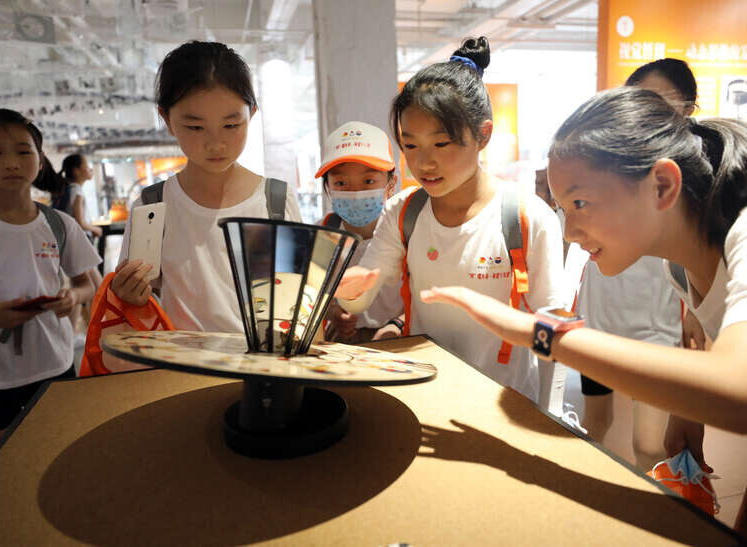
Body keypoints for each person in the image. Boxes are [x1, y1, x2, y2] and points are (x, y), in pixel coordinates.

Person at [419, 86, 747, 540]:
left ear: (662, 185)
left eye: (580, 203)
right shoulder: (680, 263)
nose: (570, 231)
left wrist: (540, 332)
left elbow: (741, 396)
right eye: (564, 209)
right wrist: (687, 413)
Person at [334, 37, 569, 413]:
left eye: (441, 144)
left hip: (507, 405)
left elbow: (552, 325)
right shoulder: (403, 212)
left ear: (483, 135)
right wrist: (347, 290)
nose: (423, 163)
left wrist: (549, 414)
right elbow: (362, 298)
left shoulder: (527, 217)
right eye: (410, 146)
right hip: (424, 399)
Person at [111, 41, 301, 333]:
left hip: (264, 359)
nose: (215, 144)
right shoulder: (153, 206)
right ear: (166, 119)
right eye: (195, 127)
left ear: (251, 114)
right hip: (182, 362)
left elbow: (299, 304)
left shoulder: (275, 201)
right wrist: (129, 295)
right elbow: (139, 306)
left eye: (231, 125)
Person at [574, 58, 701, 472]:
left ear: (687, 109)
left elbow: (701, 250)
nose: (649, 112)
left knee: (649, 444)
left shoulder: (693, 172)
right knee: (594, 425)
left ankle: (663, 507)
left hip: (656, 325)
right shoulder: (606, 156)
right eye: (640, 99)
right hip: (598, 318)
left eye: (662, 102)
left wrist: (695, 310)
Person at [0, 109, 100, 465]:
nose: (11, 162)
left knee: (61, 461)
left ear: (40, 160)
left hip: (53, 364)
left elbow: (88, 284)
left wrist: (73, 296)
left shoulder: (59, 224)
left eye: (23, 151)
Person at [316, 121, 404, 343]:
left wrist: (398, 325)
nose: (355, 192)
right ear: (328, 188)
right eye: (341, 182)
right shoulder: (323, 233)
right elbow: (310, 293)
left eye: (368, 181)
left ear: (391, 183)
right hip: (342, 344)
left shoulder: (407, 231)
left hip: (398, 340)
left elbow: (425, 295)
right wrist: (332, 313)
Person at [58, 154, 103, 240]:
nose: (91, 169)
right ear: (76, 171)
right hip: (80, 238)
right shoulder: (77, 192)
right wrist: (95, 229)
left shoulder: (70, 190)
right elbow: (80, 222)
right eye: (87, 166)